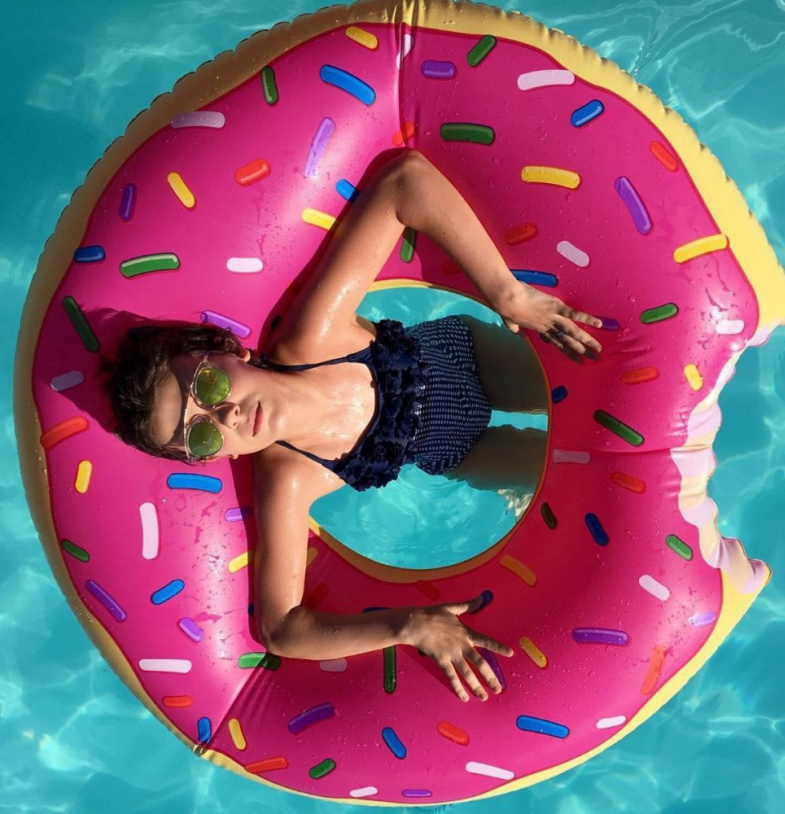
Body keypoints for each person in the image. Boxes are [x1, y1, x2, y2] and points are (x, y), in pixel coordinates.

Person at [101, 149, 603, 703]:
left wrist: (505, 292)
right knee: (582, 485)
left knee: (592, 392)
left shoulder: (313, 337)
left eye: (209, 387)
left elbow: (405, 181)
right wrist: (409, 625)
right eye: (202, 434)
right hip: (460, 450)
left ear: (224, 351)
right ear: (217, 457)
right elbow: (281, 628)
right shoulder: (288, 477)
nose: (226, 416)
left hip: (474, 358)